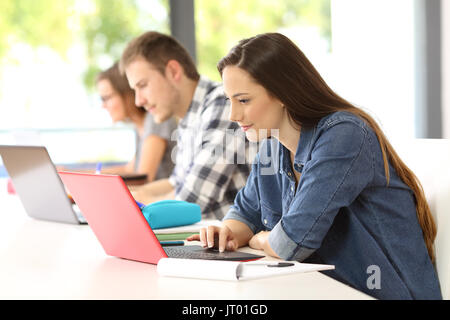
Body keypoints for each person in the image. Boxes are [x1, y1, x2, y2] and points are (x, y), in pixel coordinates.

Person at [187, 32, 442, 300]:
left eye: (244, 100)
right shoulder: (272, 145)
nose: (233, 115)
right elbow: (245, 213)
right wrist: (227, 233)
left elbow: (292, 243)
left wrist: (260, 240)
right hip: (322, 290)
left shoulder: (344, 135)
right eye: (230, 100)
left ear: (282, 93)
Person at [119, 31, 250, 219]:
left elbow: (191, 201)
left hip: (231, 243)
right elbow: (176, 183)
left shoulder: (222, 103)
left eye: (143, 85)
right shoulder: (189, 118)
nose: (139, 101)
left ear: (173, 71)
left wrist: (136, 201)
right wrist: (129, 194)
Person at [95, 62, 177, 181]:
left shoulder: (155, 120)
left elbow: (142, 179)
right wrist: (69, 172)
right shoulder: (141, 126)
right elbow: (129, 169)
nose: (103, 105)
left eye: (106, 98)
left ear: (127, 95)